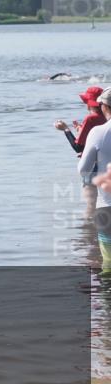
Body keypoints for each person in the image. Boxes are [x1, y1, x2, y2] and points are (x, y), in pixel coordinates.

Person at [80, 89, 111, 268]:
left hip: (107, 205)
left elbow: (83, 169)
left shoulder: (98, 132)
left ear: (105, 106)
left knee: (108, 262)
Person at [54, 85, 106, 154]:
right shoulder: (107, 116)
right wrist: (81, 129)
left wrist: (65, 129)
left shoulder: (90, 119)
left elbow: (78, 148)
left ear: (88, 104)